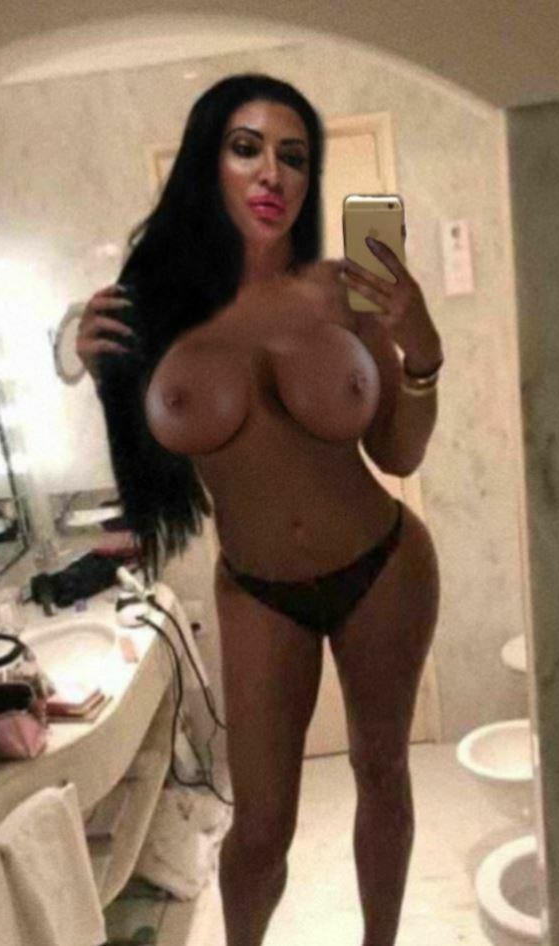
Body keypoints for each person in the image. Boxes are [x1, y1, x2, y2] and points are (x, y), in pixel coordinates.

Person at [77, 73, 442, 946]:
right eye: (246, 149)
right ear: (208, 163)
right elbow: (151, 475)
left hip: (383, 567)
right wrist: (106, 381)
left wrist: (422, 353)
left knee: (382, 770)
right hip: (256, 591)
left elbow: (398, 454)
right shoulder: (158, 313)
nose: (272, 172)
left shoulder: (346, 288)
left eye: (294, 156)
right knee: (262, 828)